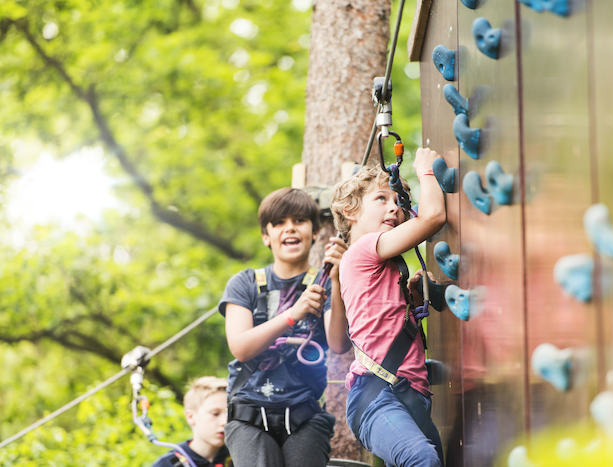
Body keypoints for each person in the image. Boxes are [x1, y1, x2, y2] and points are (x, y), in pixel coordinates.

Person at [329, 148, 446, 467]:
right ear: (350, 211)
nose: (394, 207)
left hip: (409, 393)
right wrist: (427, 171)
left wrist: (412, 300)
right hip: (378, 396)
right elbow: (434, 217)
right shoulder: (364, 248)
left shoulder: (386, 268)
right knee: (422, 459)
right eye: (381, 199)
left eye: (398, 201)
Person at [218, 187, 349, 467]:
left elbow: (339, 344)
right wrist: (293, 314)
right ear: (267, 236)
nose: (290, 229)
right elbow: (241, 347)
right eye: (279, 223)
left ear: (314, 232)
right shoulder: (245, 284)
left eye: (299, 221)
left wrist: (337, 281)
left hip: (305, 414)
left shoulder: (325, 283)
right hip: (249, 412)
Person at [151, 376, 232, 467]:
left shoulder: (239, 459)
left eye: (230, 414)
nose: (225, 422)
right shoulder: (167, 464)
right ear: (191, 417)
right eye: (215, 413)